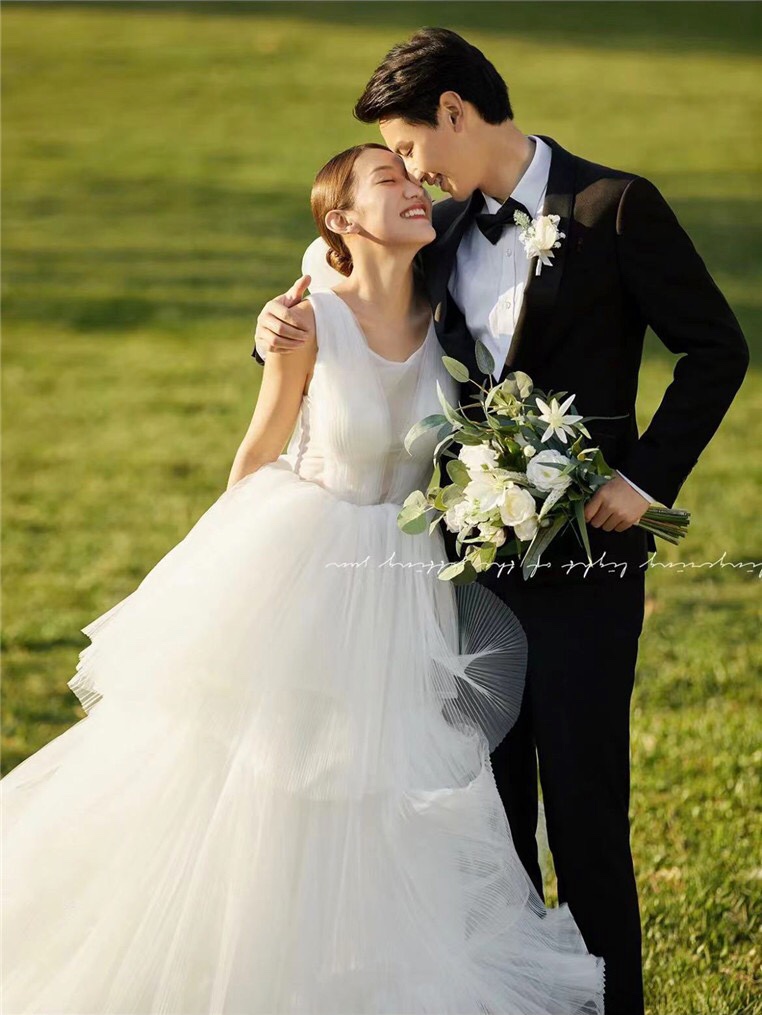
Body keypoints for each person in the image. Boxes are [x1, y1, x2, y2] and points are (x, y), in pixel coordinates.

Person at [1, 142, 606, 1014]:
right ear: (341, 220)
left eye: (413, 179)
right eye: (389, 181)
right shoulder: (308, 321)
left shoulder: (445, 316)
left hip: (402, 583)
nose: (415, 189)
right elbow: (259, 447)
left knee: (387, 790)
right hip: (308, 562)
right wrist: (221, 584)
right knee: (266, 779)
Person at [252, 29, 750, 1014]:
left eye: (409, 146)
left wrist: (644, 479)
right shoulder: (436, 231)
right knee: (486, 815)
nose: (408, 171)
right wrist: (273, 332)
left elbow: (716, 349)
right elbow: (355, 320)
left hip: (588, 558)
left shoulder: (614, 207)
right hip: (462, 568)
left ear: (455, 111)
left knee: (585, 808)